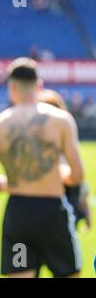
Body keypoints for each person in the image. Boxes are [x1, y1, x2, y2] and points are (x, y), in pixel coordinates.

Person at [0, 58, 84, 278]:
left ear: (11, 88)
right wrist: (51, 177)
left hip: (18, 214)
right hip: (52, 213)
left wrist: (19, 181)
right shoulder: (61, 121)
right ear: (39, 86)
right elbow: (77, 176)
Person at [37, 89, 91, 229]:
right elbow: (79, 177)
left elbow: (78, 177)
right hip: (58, 203)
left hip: (59, 203)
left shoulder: (63, 139)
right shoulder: (65, 135)